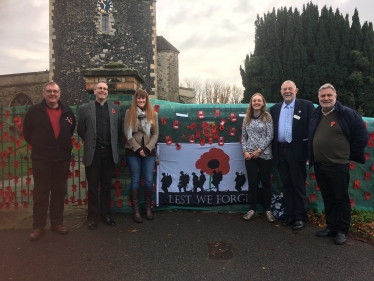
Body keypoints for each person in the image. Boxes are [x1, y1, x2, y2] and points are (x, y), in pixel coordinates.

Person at [308, 83, 368, 245]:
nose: (326, 98)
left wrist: (348, 154)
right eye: (322, 96)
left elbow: (362, 136)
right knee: (328, 197)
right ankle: (331, 227)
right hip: (320, 164)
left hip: (338, 165)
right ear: (318, 98)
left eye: (329, 95)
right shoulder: (316, 114)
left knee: (341, 198)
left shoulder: (348, 114)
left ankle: (342, 230)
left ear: (335, 96)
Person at [23, 81, 76, 241]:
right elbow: (27, 132)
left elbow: (70, 130)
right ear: (43, 93)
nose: (52, 94)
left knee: (59, 192)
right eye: (49, 91)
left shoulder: (67, 111)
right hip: (42, 158)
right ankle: (38, 226)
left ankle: (56, 223)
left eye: (55, 91)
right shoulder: (34, 111)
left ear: (60, 93)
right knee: (41, 193)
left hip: (61, 158)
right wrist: (41, 145)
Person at [270, 80, 314, 230]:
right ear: (281, 92)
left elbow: (312, 128)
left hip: (297, 151)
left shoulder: (306, 105)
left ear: (296, 90)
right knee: (287, 185)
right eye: (284, 89)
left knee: (298, 185)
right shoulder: (274, 109)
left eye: (290, 88)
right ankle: (290, 215)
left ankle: (300, 217)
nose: (287, 91)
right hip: (280, 151)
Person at [78, 81, 121, 230]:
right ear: (94, 91)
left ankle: (106, 215)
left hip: (109, 153)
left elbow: (117, 130)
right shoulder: (84, 109)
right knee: (93, 186)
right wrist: (91, 143)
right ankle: (92, 217)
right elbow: (81, 130)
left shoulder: (115, 109)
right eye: (100, 88)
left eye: (105, 89)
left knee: (106, 186)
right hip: (94, 153)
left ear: (107, 92)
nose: (102, 91)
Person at [124, 89, 158, 223]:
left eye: (143, 98)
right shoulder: (129, 113)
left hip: (149, 151)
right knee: (136, 179)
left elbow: (155, 134)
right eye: (139, 98)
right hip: (133, 151)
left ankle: (148, 209)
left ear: (146, 99)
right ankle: (136, 211)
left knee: (149, 180)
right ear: (135, 99)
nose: (141, 100)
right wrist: (138, 149)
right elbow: (127, 133)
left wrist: (148, 148)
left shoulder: (153, 114)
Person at [242, 93, 275, 222]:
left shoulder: (267, 117)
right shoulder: (247, 118)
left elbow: (270, 135)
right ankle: (252, 210)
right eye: (254, 100)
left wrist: (259, 150)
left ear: (262, 103)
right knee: (252, 182)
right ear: (251, 103)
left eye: (259, 100)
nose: (256, 102)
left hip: (264, 155)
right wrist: (244, 150)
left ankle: (268, 210)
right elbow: (244, 136)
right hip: (249, 155)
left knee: (265, 182)